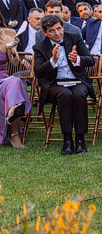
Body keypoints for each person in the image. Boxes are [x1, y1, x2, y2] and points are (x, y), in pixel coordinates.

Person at [33, 15, 95, 155]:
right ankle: (67, 140)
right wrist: (52, 61)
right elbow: (38, 72)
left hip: (77, 80)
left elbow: (90, 60)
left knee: (79, 95)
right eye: (52, 31)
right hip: (55, 84)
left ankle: (80, 139)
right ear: (45, 32)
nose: (57, 33)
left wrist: (77, 59)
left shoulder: (74, 38)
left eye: (59, 28)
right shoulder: (40, 47)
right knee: (65, 95)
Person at [0, 15, 32, 149]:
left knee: (15, 81)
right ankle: (14, 107)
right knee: (15, 83)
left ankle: (14, 109)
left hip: (3, 80)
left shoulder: (5, 39)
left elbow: (15, 62)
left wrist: (12, 50)